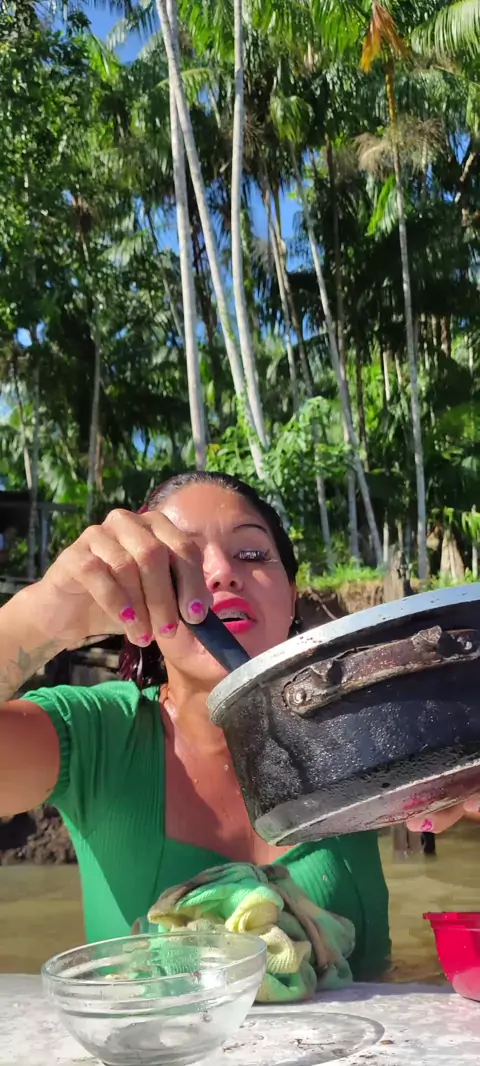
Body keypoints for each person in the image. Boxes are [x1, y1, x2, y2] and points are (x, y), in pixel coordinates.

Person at [0, 472, 478, 979]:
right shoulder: (96, 734)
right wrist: (41, 617)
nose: (222, 573)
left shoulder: (357, 722)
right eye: (178, 563)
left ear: (291, 596)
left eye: (251, 554)